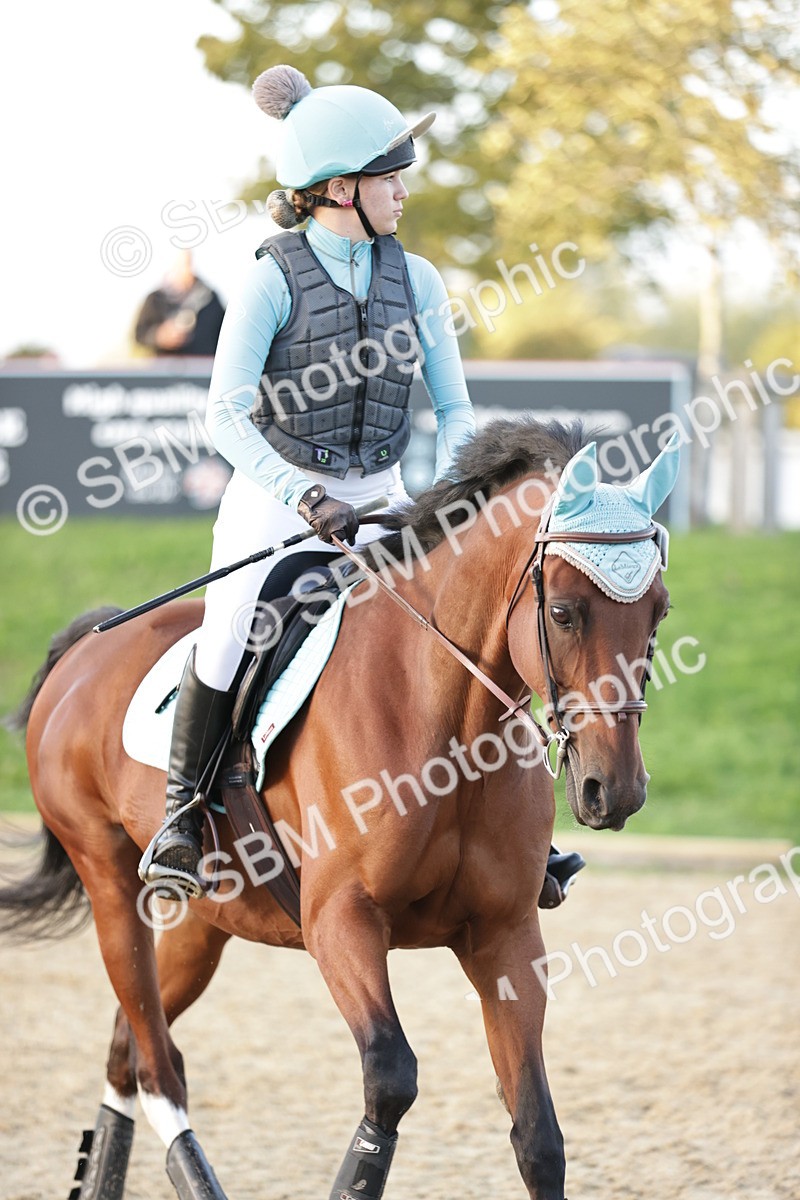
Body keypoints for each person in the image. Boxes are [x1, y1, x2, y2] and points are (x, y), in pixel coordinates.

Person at [140, 65, 583, 904]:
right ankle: (182, 818)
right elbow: (226, 415)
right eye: (392, 177)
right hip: (278, 494)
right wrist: (302, 497)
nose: (404, 191)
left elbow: (454, 406)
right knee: (232, 630)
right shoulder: (272, 278)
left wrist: (458, 488)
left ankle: (523, 834)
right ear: (340, 189)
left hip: (384, 492)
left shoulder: (416, 281)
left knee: (470, 631)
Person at [134, 250, 225, 357]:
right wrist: (159, 336)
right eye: (179, 266)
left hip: (202, 368)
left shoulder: (211, 300)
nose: (184, 270)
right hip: (165, 369)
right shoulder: (155, 299)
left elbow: (225, 336)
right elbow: (139, 334)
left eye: (187, 265)